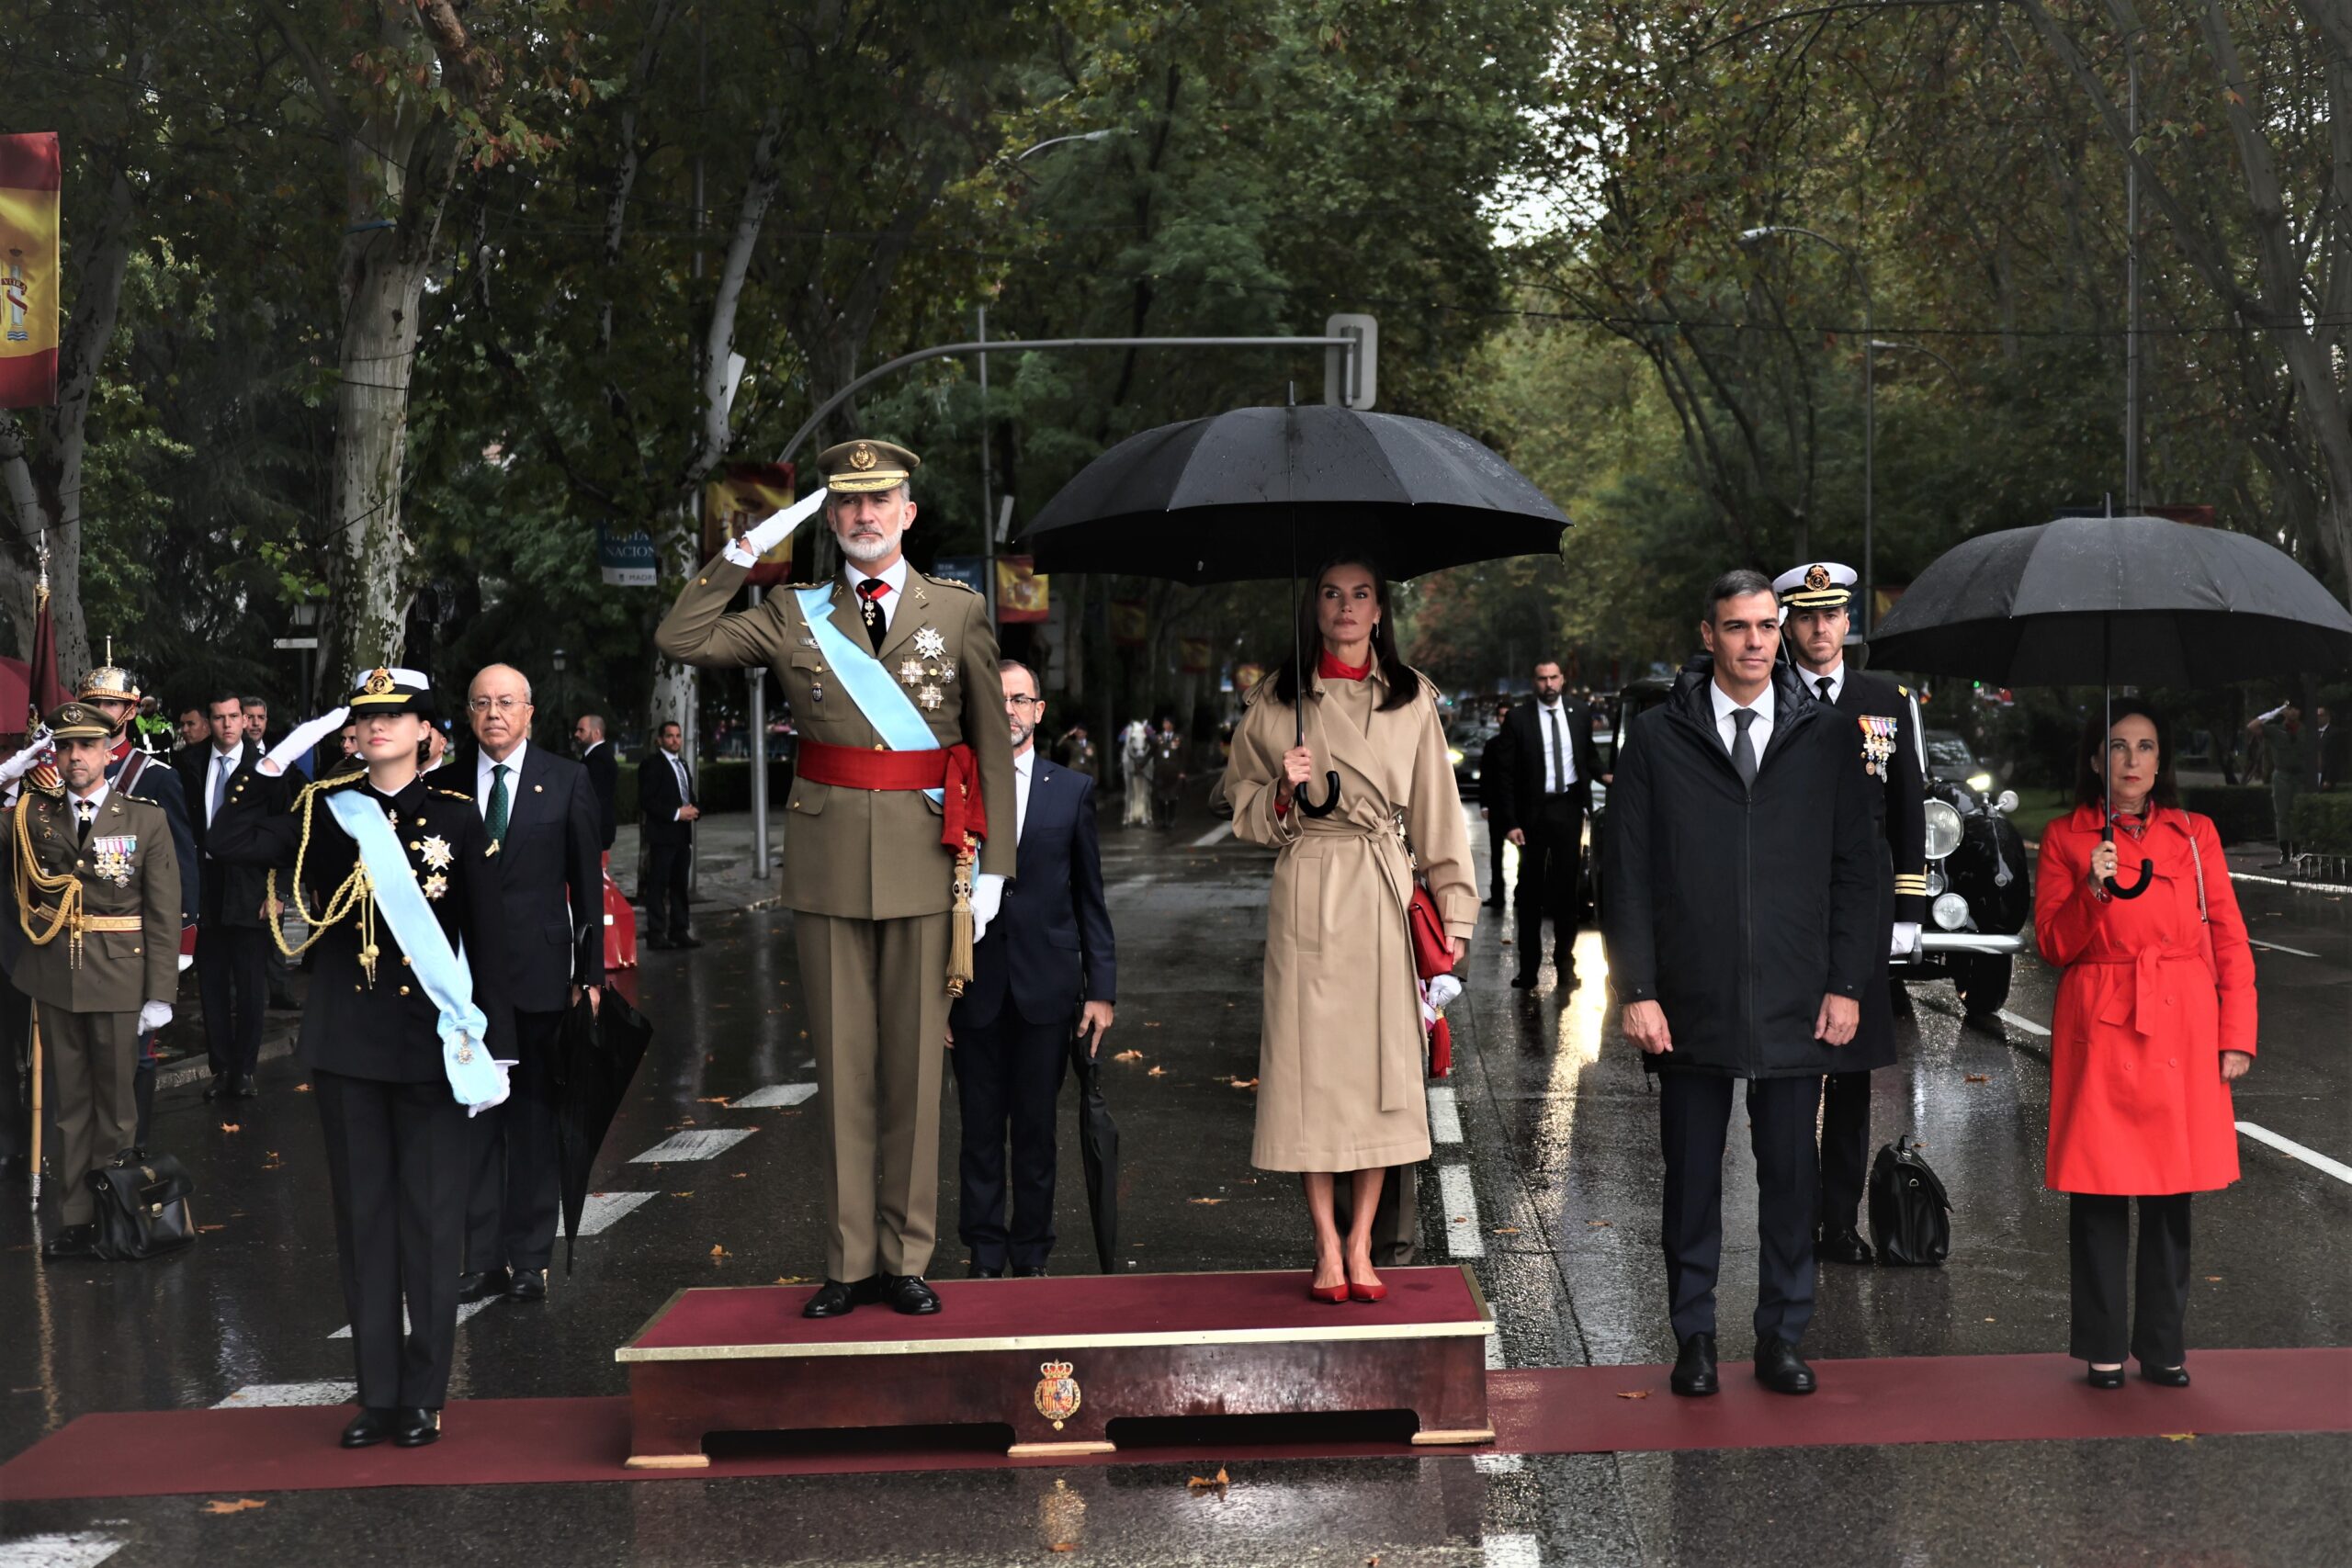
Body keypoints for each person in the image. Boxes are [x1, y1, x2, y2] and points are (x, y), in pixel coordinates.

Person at [656, 437, 1017, 1318]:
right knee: (844, 1071)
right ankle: (849, 1261)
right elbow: (681, 635)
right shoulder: (793, 611)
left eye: (878, 499)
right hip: (825, 867)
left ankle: (907, 1256)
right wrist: (745, 550)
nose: (863, 515)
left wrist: (997, 866)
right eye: (847, 502)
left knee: (913, 1074)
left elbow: (990, 746)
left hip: (927, 861)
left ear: (907, 512)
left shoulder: (957, 610)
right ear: (831, 517)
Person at [210, 668, 514, 1449]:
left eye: (395, 715)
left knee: (431, 1221)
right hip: (347, 1042)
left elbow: (488, 937)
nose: (378, 725)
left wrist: (499, 1052)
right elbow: (227, 839)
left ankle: (424, 1394)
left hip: (432, 1045)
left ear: (424, 731)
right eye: (365, 715)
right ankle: (378, 1396)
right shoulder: (326, 809)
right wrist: (276, 759)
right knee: (364, 1222)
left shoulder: (456, 815)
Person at [1601, 570, 1875, 1399]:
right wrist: (1637, 989)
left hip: (1797, 998)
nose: (1754, 641)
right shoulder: (1657, 738)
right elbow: (1626, 874)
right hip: (1692, 1000)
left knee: (1791, 1180)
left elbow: (1856, 870)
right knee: (1691, 1180)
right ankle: (1694, 1337)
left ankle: (1782, 1336)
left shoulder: (1826, 737)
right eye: (1736, 626)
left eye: (1765, 625)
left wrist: (1846, 983)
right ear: (1708, 634)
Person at [1221, 555, 1475, 1303]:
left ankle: (1362, 1241)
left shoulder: (1411, 698)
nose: (1346, 606)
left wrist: (1455, 911)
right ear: (1315, 606)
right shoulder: (1277, 698)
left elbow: (1438, 811)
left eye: (1361, 594)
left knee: (1381, 1072)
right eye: (1332, 593)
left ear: (1380, 610)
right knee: (1310, 1075)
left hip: (1382, 889)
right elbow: (1238, 798)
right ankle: (1325, 1244)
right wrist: (1280, 789)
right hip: (1308, 886)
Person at [2035, 701, 2255, 1388]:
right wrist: (2091, 889)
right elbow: (2053, 945)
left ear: (2161, 763)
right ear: (2095, 760)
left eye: (2146, 746)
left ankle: (2163, 1346)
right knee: (2098, 1190)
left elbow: (2228, 936)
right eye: (2118, 746)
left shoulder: (2195, 833)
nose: (2132, 760)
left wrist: (2236, 1032)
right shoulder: (2065, 837)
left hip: (2182, 1021)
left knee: (2170, 1192)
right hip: (2100, 1023)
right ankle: (2102, 1348)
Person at [1772, 560, 1928, 1266]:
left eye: (1831, 614)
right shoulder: (1765, 694)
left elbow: (1907, 806)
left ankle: (1839, 1223)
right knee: (1791, 1077)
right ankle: (1794, 1220)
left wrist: (1907, 909)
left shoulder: (1885, 698)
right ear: (1788, 624)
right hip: (1788, 910)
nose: (1820, 628)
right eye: (1806, 616)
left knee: (1852, 1075)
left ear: (1847, 620)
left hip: (1863, 908)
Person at [947, 660, 1114, 1278]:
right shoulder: (956, 786)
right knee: (979, 1132)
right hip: (974, 987)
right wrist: (938, 993)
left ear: (1039, 711)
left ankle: (1032, 1256)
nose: (1009, 711)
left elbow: (1090, 898)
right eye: (997, 701)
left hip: (1046, 988)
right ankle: (984, 1254)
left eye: (1020, 699)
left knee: (1037, 1132)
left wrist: (1102, 990)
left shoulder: (1071, 790)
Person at [0, 703, 182, 1258]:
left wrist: (161, 992)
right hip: (56, 977)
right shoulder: (33, 814)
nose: (74, 756)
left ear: (108, 753)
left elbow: (163, 910)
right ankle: (78, 1219)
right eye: (65, 747)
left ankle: (116, 1216)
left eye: (86, 746)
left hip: (121, 976)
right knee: (70, 1108)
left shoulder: (144, 818)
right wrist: (7, 774)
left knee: (118, 1109)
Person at [453, 664, 605, 1305]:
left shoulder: (566, 780)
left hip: (542, 978)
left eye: (506, 702)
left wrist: (590, 976)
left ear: (529, 712)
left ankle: (529, 1258)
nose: (495, 713)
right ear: (469, 713)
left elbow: (586, 886)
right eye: (482, 702)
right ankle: (482, 1257)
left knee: (535, 1120)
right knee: (476, 1121)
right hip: (465, 986)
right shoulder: (446, 784)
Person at [78, 656, 200, 1153]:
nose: (101, 712)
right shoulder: (66, 774)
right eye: (92, 704)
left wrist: (180, 946)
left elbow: (181, 865)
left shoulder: (153, 777)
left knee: (137, 1052)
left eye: (110, 704)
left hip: (134, 939)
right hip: (77, 939)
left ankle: (134, 1152)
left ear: (129, 711)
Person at [1485, 659, 1608, 988]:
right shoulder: (1519, 719)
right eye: (1542, 679)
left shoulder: (1579, 713)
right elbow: (1505, 775)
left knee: (1567, 893)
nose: (1549, 684)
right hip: (1532, 815)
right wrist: (1510, 822)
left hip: (1568, 809)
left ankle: (1565, 966)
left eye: (1554, 677)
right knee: (1529, 893)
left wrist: (1606, 775)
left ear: (1562, 679)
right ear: (1534, 682)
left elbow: (1589, 756)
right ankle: (1528, 970)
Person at [174, 694, 267, 1101]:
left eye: (234, 717)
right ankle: (221, 1067)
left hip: (249, 882)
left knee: (249, 985)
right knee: (211, 982)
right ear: (209, 721)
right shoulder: (189, 764)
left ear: (245, 720)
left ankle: (244, 1069)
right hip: (205, 882)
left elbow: (284, 828)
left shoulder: (264, 767)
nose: (228, 725)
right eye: (219, 717)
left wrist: (278, 889)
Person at [637, 720, 699, 950]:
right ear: (660, 740)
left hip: (682, 836)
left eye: (678, 736)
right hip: (662, 836)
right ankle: (656, 934)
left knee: (679, 885)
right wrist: (677, 813)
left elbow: (688, 793)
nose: (675, 740)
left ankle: (679, 930)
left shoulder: (682, 764)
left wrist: (695, 809)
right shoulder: (652, 765)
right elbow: (647, 801)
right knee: (658, 885)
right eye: (670, 736)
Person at [2247, 701, 2309, 865]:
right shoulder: (2275, 730)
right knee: (2282, 815)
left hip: (2300, 776)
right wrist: (2275, 712)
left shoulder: (2306, 730)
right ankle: (2285, 852)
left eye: (2296, 709)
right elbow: (2252, 726)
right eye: (2289, 709)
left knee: (2298, 814)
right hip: (2282, 776)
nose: (2293, 712)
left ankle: (2298, 851)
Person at [573, 713, 620, 852]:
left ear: (596, 733)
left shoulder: (598, 759)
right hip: (595, 828)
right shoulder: (595, 756)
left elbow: (590, 796)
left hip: (595, 829)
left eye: (581, 730)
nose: (576, 734)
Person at [1148, 716, 1185, 829]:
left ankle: (1171, 819)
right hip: (1160, 772)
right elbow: (1150, 752)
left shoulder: (1178, 738)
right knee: (1160, 797)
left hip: (1173, 773)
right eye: (1165, 723)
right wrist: (1141, 764)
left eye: (1168, 723)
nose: (1166, 725)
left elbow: (1183, 756)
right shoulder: (1158, 738)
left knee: (1173, 797)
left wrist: (1182, 771)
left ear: (1172, 725)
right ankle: (1162, 820)